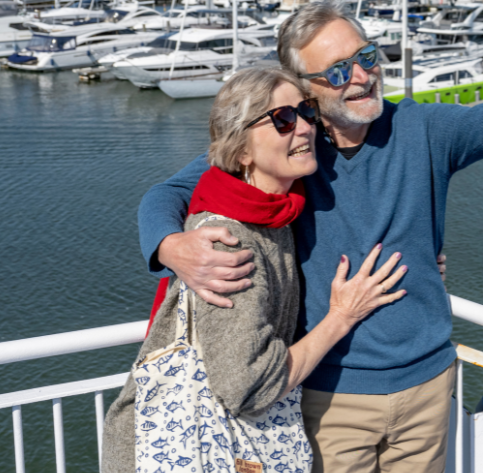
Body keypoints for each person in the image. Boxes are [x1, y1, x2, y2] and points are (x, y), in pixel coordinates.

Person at [137, 0, 483, 471]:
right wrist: (171, 248)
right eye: (339, 71)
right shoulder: (291, 148)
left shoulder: (422, 128)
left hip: (428, 386)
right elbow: (167, 193)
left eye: (366, 58)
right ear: (305, 91)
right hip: (330, 396)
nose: (362, 77)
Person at [103, 67, 407, 472]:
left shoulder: (276, 214)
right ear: (242, 150)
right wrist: (342, 317)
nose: (302, 128)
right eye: (282, 119)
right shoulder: (230, 242)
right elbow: (249, 385)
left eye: (306, 112)